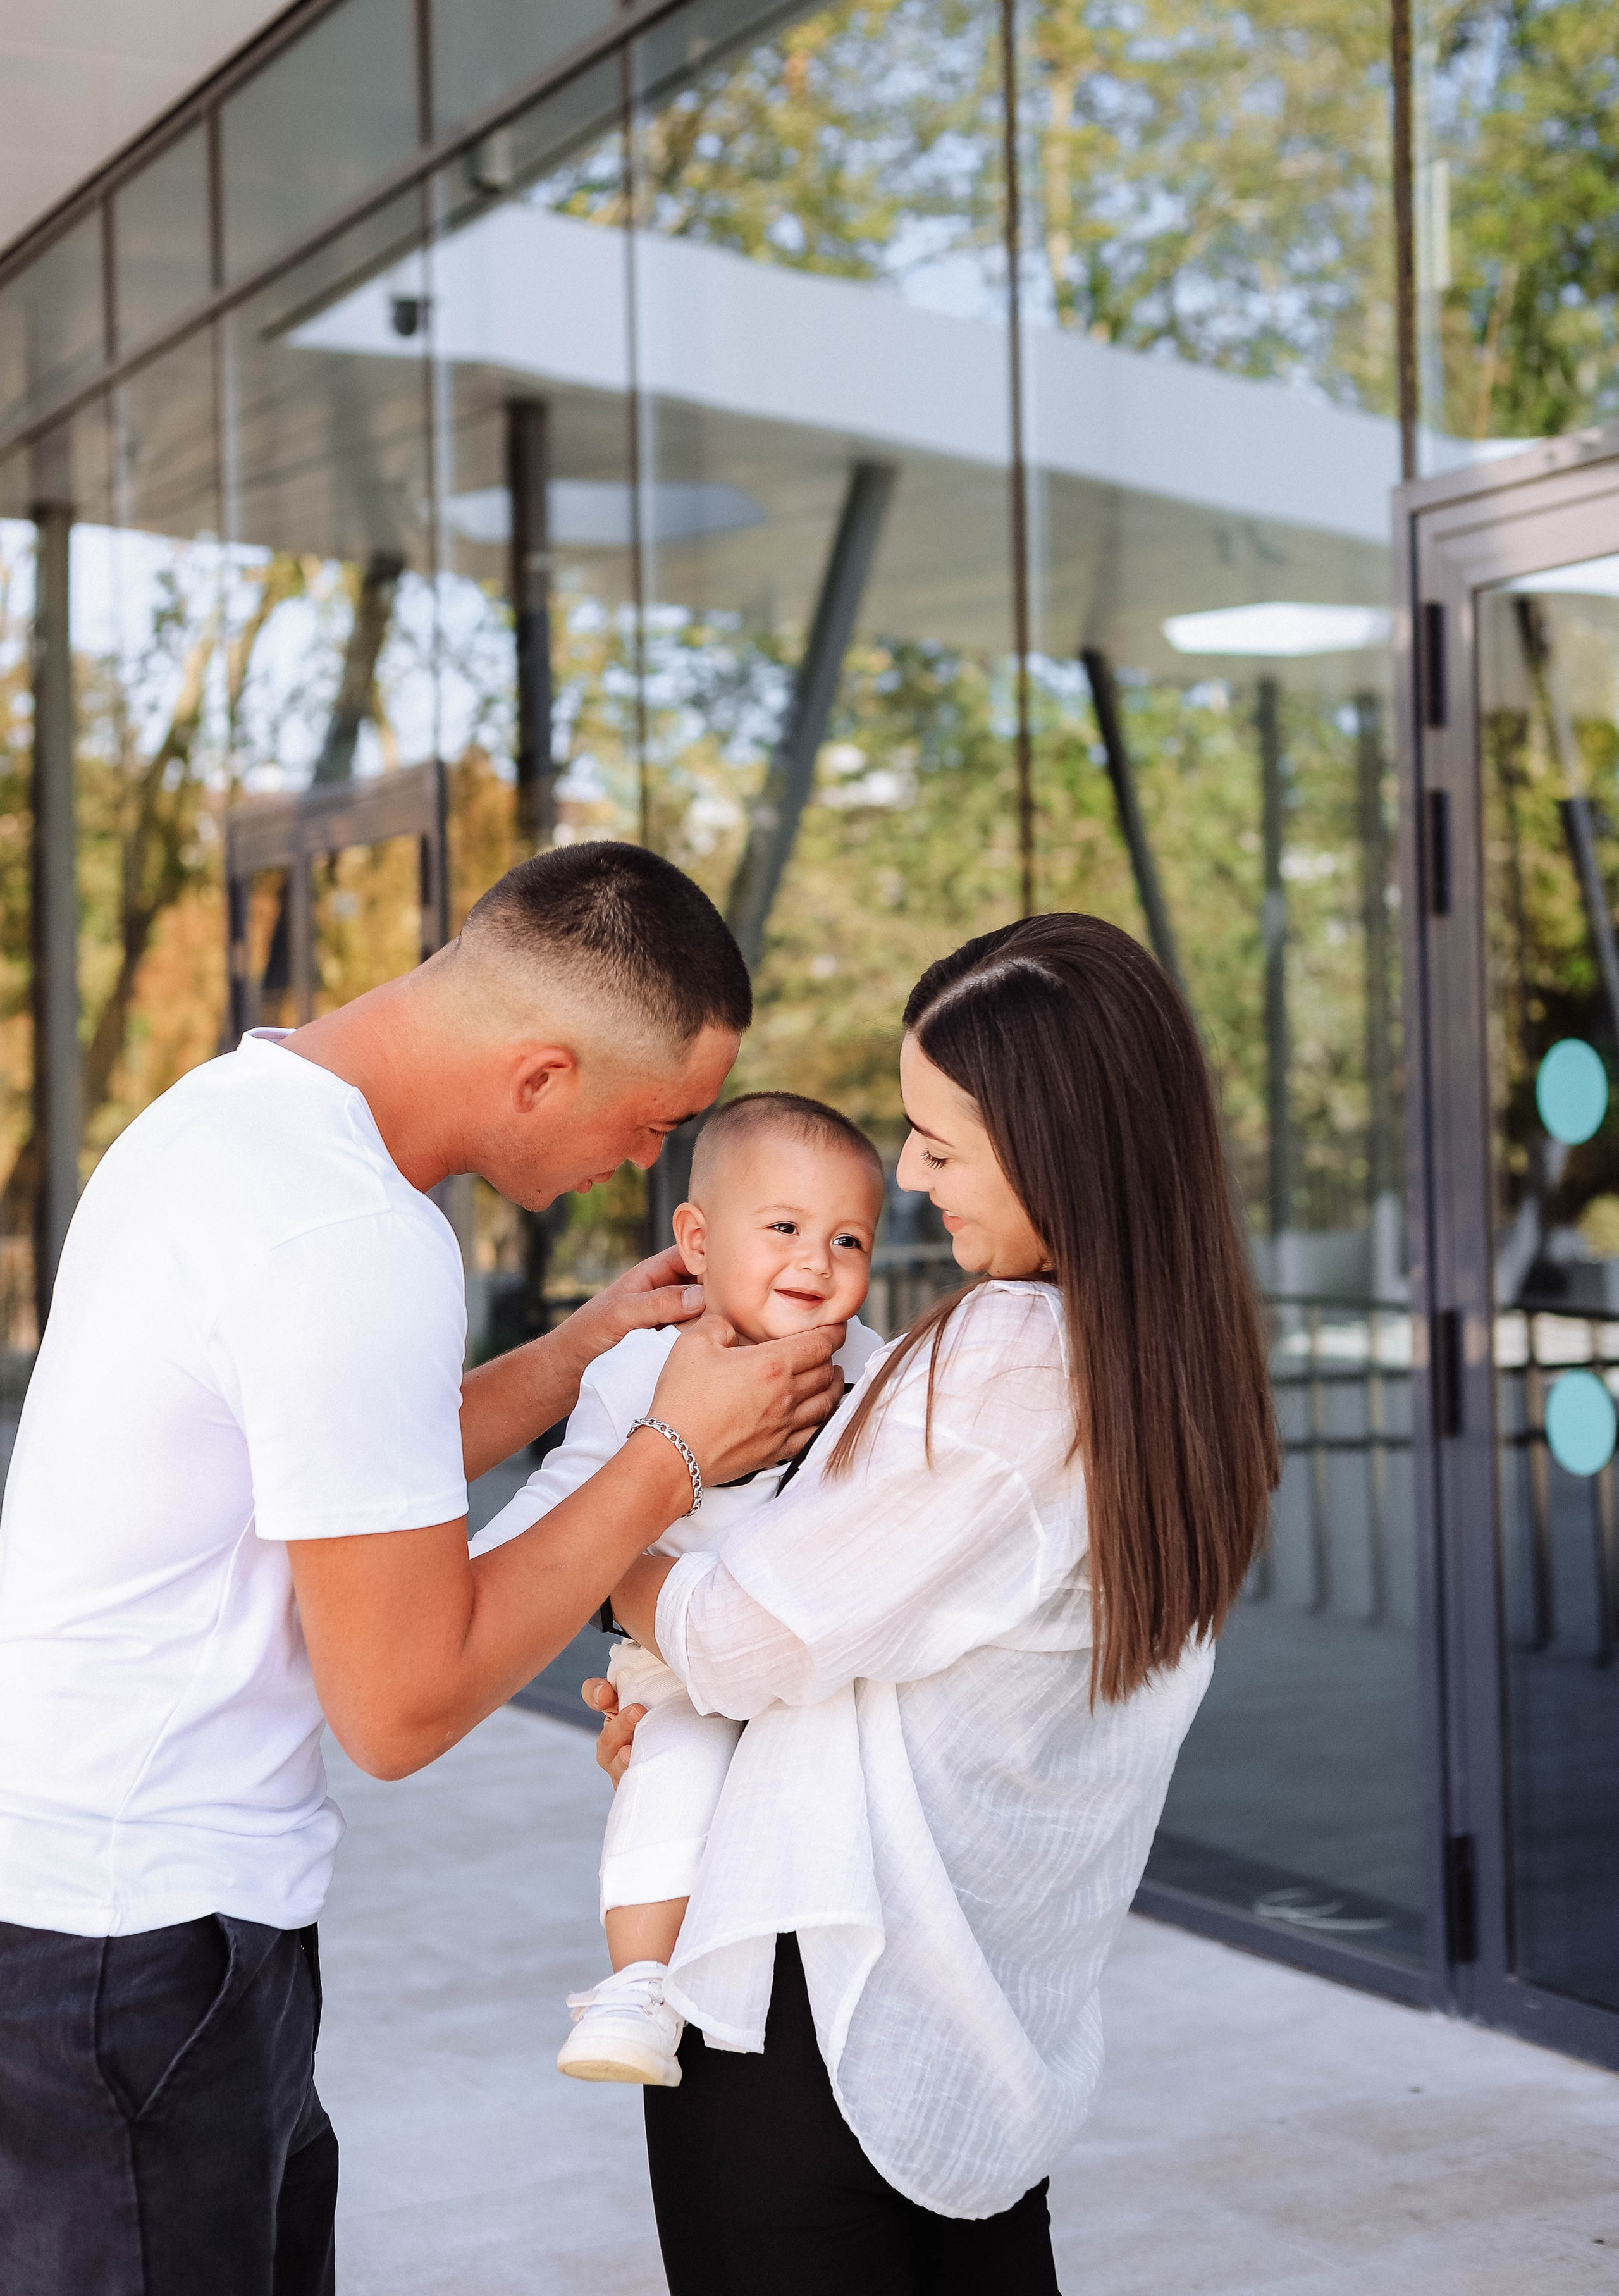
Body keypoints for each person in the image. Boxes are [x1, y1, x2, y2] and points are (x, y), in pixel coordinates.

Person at [0, 841, 842, 2296]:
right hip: (136, 1951)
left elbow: (340, 1474)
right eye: (652, 1124)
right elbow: (398, 1707)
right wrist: (668, 1456)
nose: (647, 1167)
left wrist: (578, 1354)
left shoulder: (233, 1116)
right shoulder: (352, 1238)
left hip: (122, 1917)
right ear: (537, 1077)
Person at [590, 913, 1279, 2295]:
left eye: (939, 1145)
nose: (906, 1176)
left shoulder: (1011, 1353)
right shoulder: (1183, 1384)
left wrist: (618, 1544)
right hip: (979, 2028)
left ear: (1054, 1146)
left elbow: (740, 1637)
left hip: (820, 2013)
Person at [472, 1090, 887, 2087]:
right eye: (784, 1228)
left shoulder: (873, 1370)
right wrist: (485, 1576)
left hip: (819, 1667)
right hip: (675, 1659)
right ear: (696, 1241)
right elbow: (565, 1492)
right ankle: (640, 1985)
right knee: (676, 1768)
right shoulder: (641, 1364)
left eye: (848, 1240)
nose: (816, 1261)